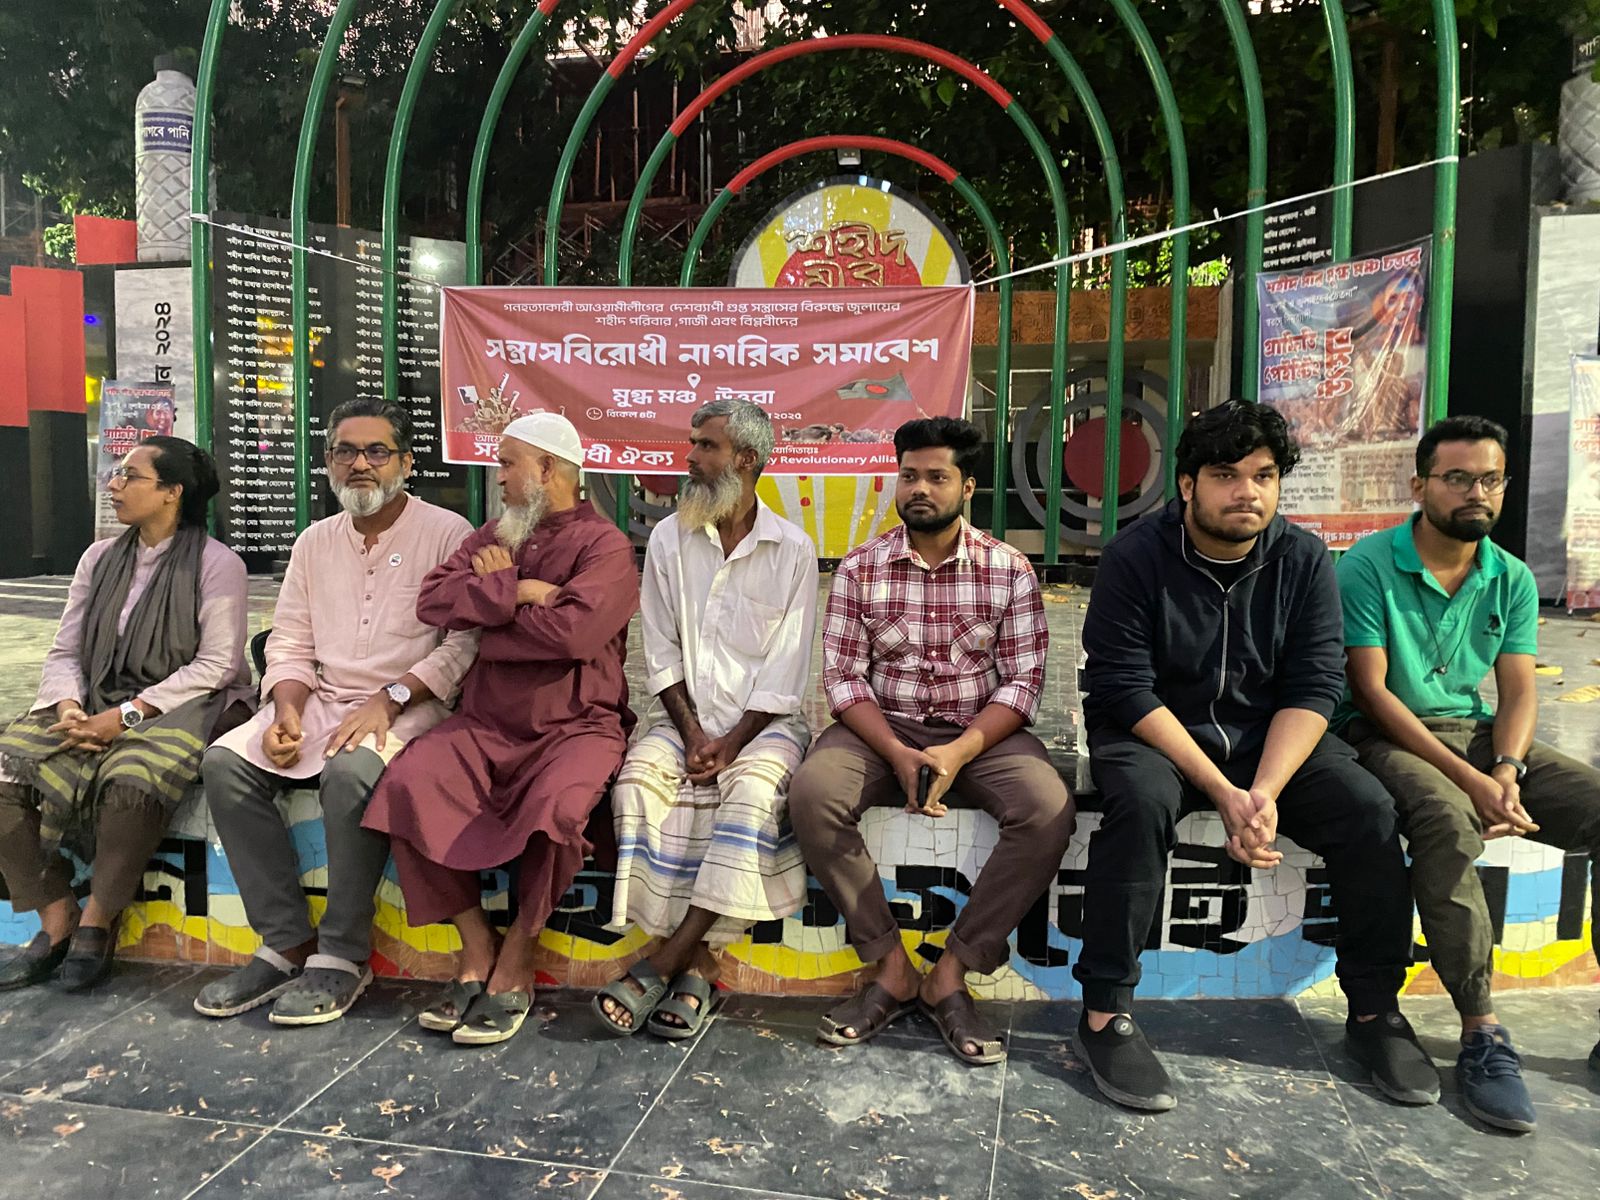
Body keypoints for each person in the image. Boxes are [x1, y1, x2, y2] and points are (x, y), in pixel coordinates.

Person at [1074, 400, 1433, 1112]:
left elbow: (1316, 684)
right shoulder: (1135, 556)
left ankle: (1374, 1011)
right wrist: (1223, 790)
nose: (1248, 492)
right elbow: (1125, 685)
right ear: (1187, 484)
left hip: (1269, 739)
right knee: (1140, 804)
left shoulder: (1302, 559)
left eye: (1264, 476)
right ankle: (1104, 1015)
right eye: (1226, 475)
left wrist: (1262, 791)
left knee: (1368, 809)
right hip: (1154, 733)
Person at [1336, 414, 1600, 1132]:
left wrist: (1507, 768)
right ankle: (1481, 1028)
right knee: (1446, 820)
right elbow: (1371, 693)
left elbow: (1518, 691)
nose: (1476, 492)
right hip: (1385, 735)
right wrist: (1471, 781)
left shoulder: (1509, 576)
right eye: (1457, 478)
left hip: (1478, 736)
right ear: (1419, 485)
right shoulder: (1368, 566)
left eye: (1490, 479)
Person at [787, 417, 1074, 1066]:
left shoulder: (1008, 569)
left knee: (1047, 808)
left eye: (937, 477)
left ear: (967, 487)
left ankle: (952, 971)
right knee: (814, 794)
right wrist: (896, 753)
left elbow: (1023, 682)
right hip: (881, 729)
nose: (919, 489)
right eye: (909, 475)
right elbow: (843, 679)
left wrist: (958, 751)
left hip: (982, 734)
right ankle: (889, 966)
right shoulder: (861, 567)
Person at [195, 399, 477, 1025]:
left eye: (377, 452)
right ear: (327, 462)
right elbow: (290, 640)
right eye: (345, 452)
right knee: (224, 764)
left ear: (407, 463)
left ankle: (344, 954)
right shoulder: (314, 541)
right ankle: (285, 941)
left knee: (351, 773)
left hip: (410, 704)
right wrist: (286, 711)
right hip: (322, 701)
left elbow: (462, 645)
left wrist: (390, 699)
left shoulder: (448, 533)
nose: (360, 465)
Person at [362, 411, 639, 1046]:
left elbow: (574, 636)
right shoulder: (495, 535)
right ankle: (476, 942)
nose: (499, 476)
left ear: (549, 469)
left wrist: (489, 612)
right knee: (407, 782)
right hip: (485, 722)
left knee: (559, 808)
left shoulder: (606, 546)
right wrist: (520, 591)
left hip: (576, 726)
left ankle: (518, 953)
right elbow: (433, 601)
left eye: (509, 463)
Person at [596, 399, 817, 1039]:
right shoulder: (669, 538)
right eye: (691, 444)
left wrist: (732, 742)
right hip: (684, 720)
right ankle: (697, 965)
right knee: (637, 786)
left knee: (751, 795)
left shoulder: (792, 549)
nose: (689, 458)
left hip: (766, 725)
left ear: (745, 459)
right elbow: (660, 651)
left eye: (705, 446)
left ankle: (667, 960)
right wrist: (694, 734)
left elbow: (785, 669)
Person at [0, 437, 248, 991]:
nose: (113, 485)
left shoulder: (217, 563)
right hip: (91, 699)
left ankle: (98, 918)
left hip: (180, 704)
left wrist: (126, 716)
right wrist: (70, 707)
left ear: (171, 492)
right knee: (6, 767)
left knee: (132, 781)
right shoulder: (98, 558)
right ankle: (56, 912)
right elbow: (66, 649)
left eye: (129, 476)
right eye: (116, 474)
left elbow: (216, 665)